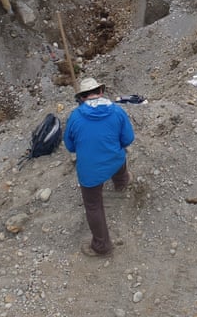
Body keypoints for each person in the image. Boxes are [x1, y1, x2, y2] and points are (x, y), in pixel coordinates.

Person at [64, 76, 136, 257]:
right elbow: (127, 139)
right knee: (120, 157)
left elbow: (70, 146)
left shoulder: (75, 117)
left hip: (90, 172)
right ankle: (122, 181)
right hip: (115, 161)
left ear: (81, 97)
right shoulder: (118, 111)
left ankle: (101, 246)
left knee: (93, 205)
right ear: (101, 92)